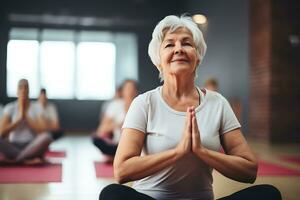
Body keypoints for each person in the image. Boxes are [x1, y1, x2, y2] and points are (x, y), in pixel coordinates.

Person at [99, 15, 281, 200]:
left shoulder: (217, 103)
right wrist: (177, 153)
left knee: (268, 194)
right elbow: (121, 171)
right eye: (169, 45)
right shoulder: (144, 103)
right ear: (158, 61)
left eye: (186, 43)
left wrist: (203, 152)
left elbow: (249, 170)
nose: (178, 49)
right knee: (112, 194)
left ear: (198, 57)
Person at [0, 79, 53, 165]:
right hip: (13, 145)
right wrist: (18, 120)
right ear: (17, 91)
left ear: (29, 91)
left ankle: (16, 160)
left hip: (31, 145)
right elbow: (2, 132)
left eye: (26, 88)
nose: (23, 90)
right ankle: (26, 160)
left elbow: (42, 131)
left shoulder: (37, 107)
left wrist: (26, 116)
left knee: (47, 137)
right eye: (21, 88)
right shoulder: (10, 108)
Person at [93, 79, 138, 160]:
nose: (130, 92)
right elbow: (101, 129)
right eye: (127, 89)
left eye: (132, 89)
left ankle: (117, 157)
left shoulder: (140, 106)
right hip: (117, 143)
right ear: (122, 91)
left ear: (136, 91)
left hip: (134, 144)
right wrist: (119, 124)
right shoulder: (115, 105)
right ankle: (118, 157)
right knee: (96, 139)